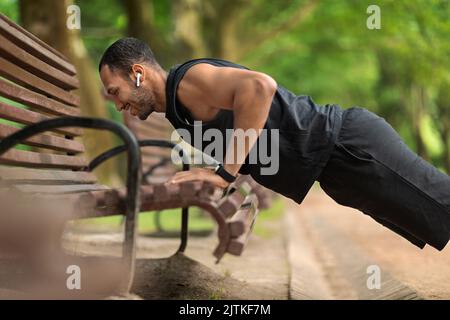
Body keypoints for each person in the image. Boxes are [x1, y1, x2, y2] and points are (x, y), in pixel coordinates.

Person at [99, 37, 450, 251]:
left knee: (442, 205)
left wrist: (225, 173)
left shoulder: (188, 82)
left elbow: (259, 87)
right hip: (336, 169)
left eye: (115, 92)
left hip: (349, 147)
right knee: (430, 218)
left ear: (138, 73)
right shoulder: (178, 106)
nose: (118, 105)